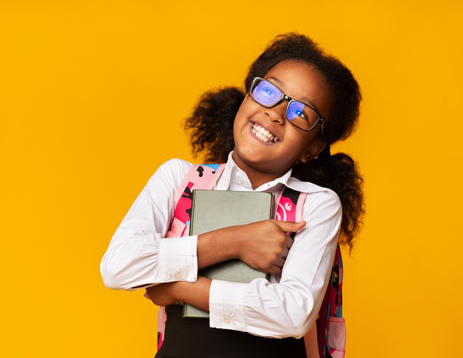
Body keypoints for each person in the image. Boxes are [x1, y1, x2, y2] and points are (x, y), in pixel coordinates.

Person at [100, 33, 364, 358]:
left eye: (301, 114)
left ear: (313, 148)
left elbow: (294, 315)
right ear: (246, 98)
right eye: (268, 91)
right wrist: (235, 242)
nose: (276, 113)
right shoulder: (177, 178)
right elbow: (118, 267)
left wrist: (182, 288)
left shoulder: (315, 205)